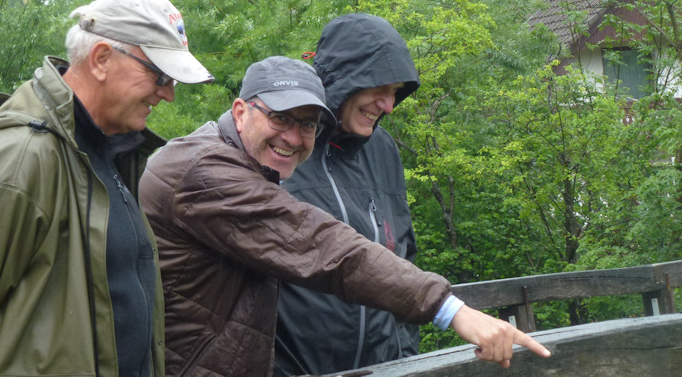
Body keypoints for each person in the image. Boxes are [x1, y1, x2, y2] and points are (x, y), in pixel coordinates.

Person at [139, 56, 550, 376]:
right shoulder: (204, 171)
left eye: (308, 125)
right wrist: (451, 310)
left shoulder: (236, 161)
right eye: (280, 117)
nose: (293, 137)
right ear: (241, 110)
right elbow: (321, 245)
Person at [0, 0, 214, 377]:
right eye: (160, 75)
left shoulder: (114, 153)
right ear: (102, 59)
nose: (168, 94)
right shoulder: (20, 158)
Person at [274, 13, 425, 375]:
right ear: (344, 79)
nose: (388, 105)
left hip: (384, 369)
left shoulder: (383, 150)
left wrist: (405, 359)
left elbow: (403, 258)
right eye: (380, 88)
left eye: (395, 92)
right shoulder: (279, 147)